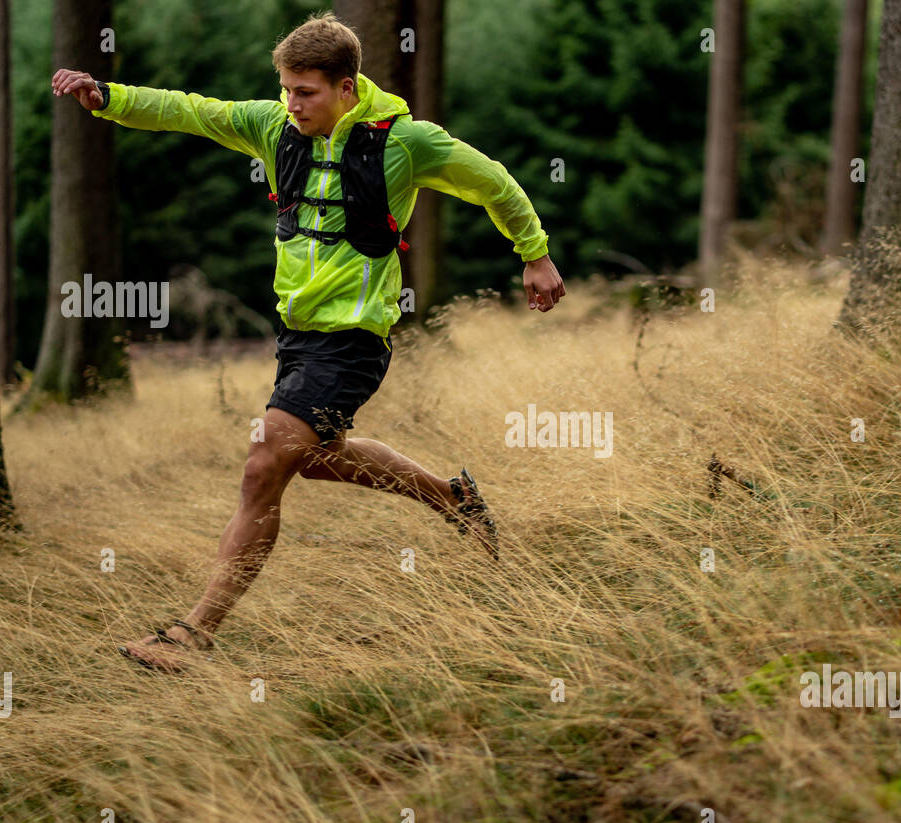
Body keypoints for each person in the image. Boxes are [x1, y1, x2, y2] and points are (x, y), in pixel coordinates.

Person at [49, 12, 565, 672]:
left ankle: (192, 637)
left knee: (264, 462)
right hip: (296, 338)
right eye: (287, 89)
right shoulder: (274, 127)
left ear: (346, 88)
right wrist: (110, 99)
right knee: (317, 457)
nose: (292, 104)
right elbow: (194, 111)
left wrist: (535, 254)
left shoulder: (404, 142)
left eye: (306, 92)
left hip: (353, 342)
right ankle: (451, 496)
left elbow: (491, 180)